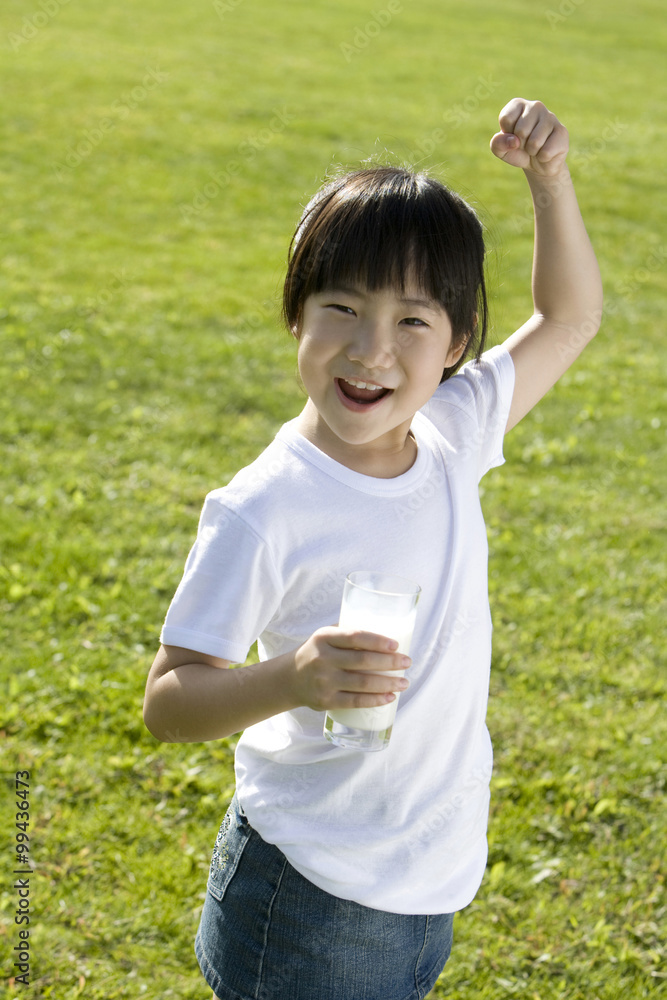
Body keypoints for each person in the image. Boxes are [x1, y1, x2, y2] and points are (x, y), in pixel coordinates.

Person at [143, 98, 602, 1000]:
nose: (369, 352)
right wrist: (290, 679)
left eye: (411, 324)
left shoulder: (453, 432)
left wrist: (549, 183)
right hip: (312, 889)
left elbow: (570, 318)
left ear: (456, 349)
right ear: (295, 316)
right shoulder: (263, 508)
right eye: (341, 309)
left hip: (427, 876)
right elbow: (169, 702)